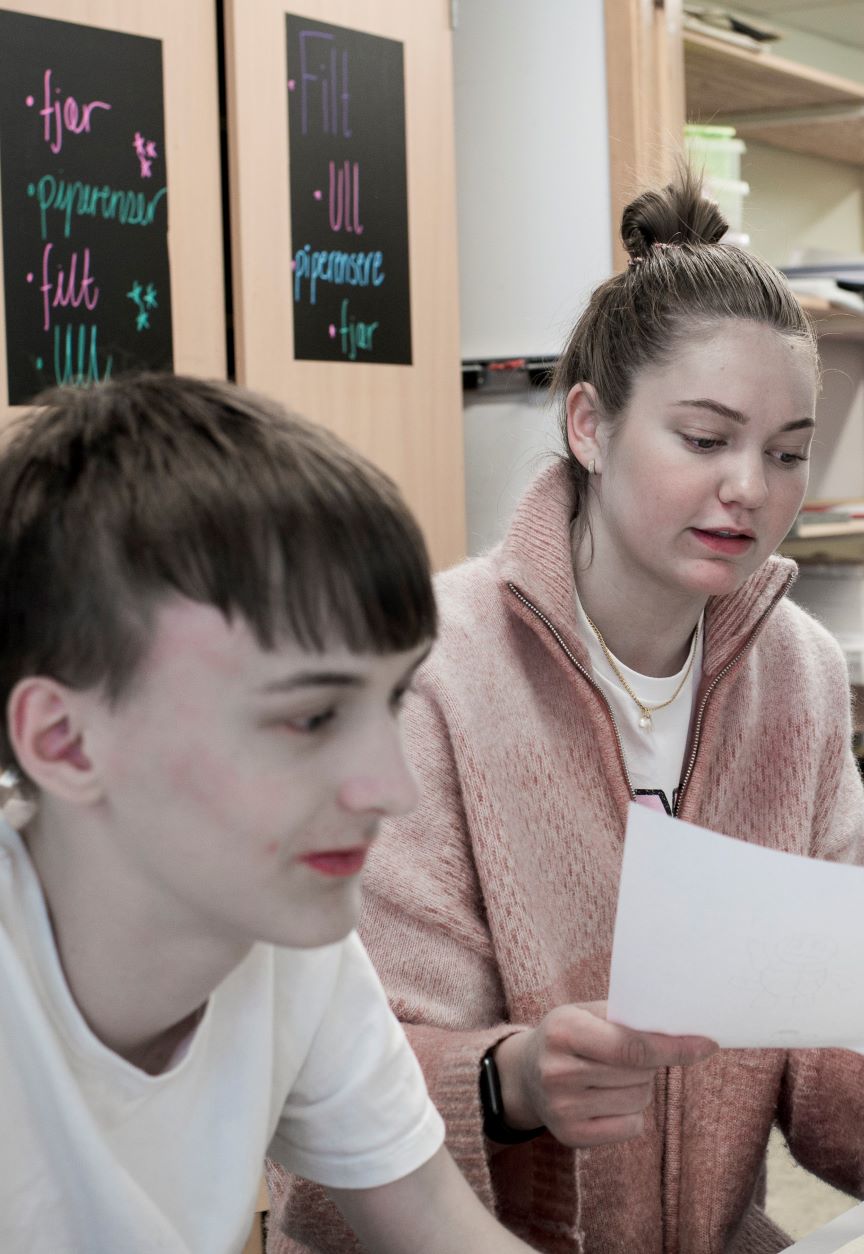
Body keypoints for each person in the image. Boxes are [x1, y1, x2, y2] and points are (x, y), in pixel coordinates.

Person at [267, 171, 864, 1253]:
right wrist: (515, 1078)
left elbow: (824, 1003)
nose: (750, 490)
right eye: (705, 440)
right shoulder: (431, 671)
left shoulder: (796, 671)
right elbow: (344, 1068)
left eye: (787, 452)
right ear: (588, 424)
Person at [0, 376, 538, 1252]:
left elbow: (439, 1230)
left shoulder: (288, 936)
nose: (391, 789)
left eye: (391, 699)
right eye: (310, 717)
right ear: (63, 741)